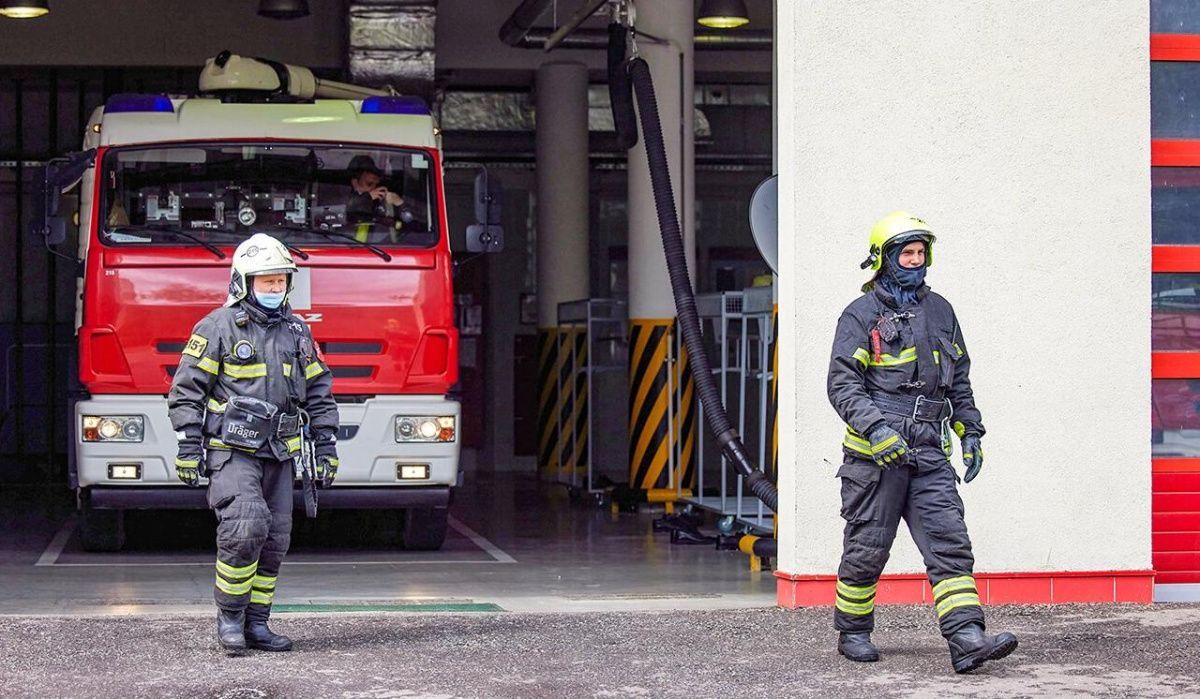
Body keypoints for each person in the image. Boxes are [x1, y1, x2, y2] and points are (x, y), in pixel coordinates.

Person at [826, 211, 1018, 674]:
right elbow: (842, 384)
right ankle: (853, 629)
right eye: (906, 254)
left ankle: (967, 637)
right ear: (884, 259)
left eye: (920, 253)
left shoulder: (941, 311)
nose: (915, 262)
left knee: (949, 541)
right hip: (876, 457)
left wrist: (970, 430)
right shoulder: (860, 315)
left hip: (929, 449)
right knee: (868, 545)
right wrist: (876, 431)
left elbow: (960, 380)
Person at [167, 233, 339, 654]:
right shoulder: (217, 327)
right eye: (266, 282)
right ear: (243, 282)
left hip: (281, 452)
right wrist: (190, 447)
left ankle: (257, 623)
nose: (275, 288)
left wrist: (327, 444)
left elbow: (318, 389)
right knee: (245, 526)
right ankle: (229, 619)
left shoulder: (297, 330)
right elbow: (186, 391)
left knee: (275, 537)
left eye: (280, 281)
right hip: (233, 451)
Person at [346, 154, 404, 221]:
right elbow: (347, 210)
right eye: (369, 184)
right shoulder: (342, 195)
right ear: (355, 182)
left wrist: (400, 204)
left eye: (376, 184)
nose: (374, 188)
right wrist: (367, 198)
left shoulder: (380, 199)